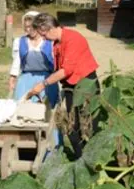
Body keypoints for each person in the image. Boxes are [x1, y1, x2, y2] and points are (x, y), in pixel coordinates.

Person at [27, 13, 99, 158]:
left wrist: (43, 84)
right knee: (72, 126)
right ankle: (81, 159)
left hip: (86, 84)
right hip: (70, 86)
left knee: (88, 126)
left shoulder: (73, 39)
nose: (43, 37)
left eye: (43, 33)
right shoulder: (57, 42)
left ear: (48, 28)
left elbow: (67, 70)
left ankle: (93, 160)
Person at [9, 10, 62, 148]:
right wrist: (13, 77)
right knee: (23, 112)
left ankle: (51, 145)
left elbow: (56, 62)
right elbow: (17, 61)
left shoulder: (48, 41)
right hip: (26, 80)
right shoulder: (20, 41)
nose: (29, 30)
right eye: (26, 27)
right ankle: (25, 145)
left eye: (32, 26)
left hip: (46, 80)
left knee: (47, 112)